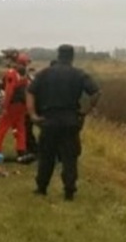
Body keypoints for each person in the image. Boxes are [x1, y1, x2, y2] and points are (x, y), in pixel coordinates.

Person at [27, 44, 101, 200]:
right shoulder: (79, 74)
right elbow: (95, 92)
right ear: (72, 57)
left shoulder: (44, 74)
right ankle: (69, 191)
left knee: (46, 155)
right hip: (70, 120)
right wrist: (84, 111)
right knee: (70, 157)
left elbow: (30, 92)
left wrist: (33, 114)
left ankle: (41, 188)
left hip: (48, 119)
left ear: (58, 55)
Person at [0, 52, 32, 162]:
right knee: (20, 128)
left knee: (2, 127)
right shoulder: (25, 75)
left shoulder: (12, 73)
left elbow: (9, 91)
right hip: (22, 106)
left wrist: (4, 107)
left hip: (12, 105)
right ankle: (21, 152)